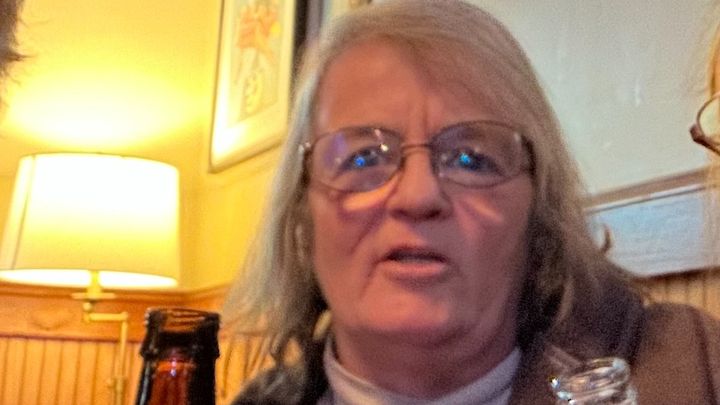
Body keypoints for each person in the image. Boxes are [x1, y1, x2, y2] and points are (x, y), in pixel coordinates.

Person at [223, 1, 720, 403]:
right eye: (363, 158)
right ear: (301, 220)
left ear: (538, 217)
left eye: (471, 160)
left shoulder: (694, 369)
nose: (419, 195)